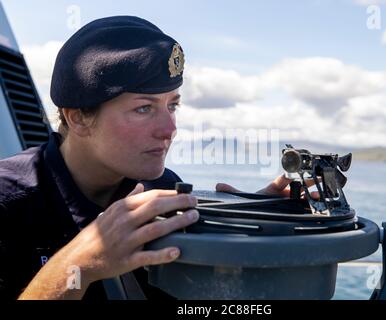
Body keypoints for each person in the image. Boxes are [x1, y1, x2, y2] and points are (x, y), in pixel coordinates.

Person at [0, 16, 303, 300]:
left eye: (172, 106)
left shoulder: (163, 185)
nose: (170, 130)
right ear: (78, 119)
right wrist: (80, 263)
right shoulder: (8, 199)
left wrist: (252, 220)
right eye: (143, 108)